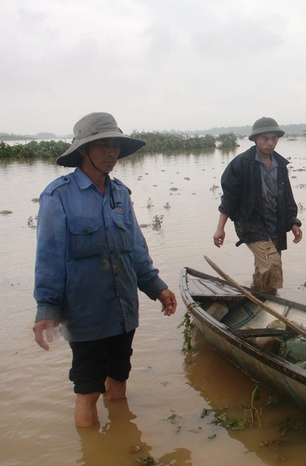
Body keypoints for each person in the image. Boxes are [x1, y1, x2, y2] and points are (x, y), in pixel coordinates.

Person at [32, 112, 177, 427]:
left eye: (115, 146)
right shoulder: (58, 196)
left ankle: (121, 444)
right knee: (87, 389)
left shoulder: (121, 194)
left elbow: (136, 250)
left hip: (123, 308)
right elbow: (49, 257)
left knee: (120, 376)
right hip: (86, 311)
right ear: (83, 151)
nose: (112, 153)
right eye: (103, 146)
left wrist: (157, 287)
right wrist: (47, 308)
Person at [214, 117, 302, 295]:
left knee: (264, 268)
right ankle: (270, 301)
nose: (270, 143)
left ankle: (258, 299)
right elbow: (229, 198)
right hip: (251, 224)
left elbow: (287, 198)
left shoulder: (281, 165)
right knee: (271, 263)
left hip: (275, 224)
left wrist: (293, 223)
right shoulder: (241, 164)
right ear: (255, 139)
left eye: (274, 139)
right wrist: (220, 228)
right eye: (265, 139)